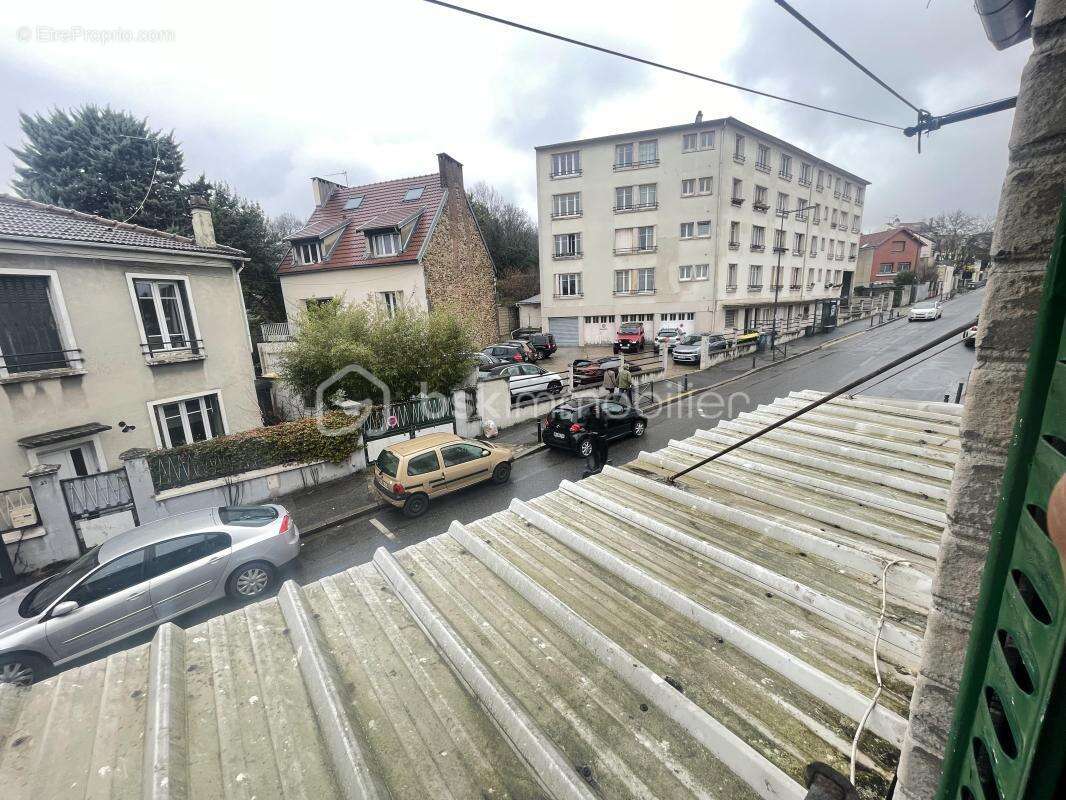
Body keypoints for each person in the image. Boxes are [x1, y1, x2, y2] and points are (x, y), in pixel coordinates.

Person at [582, 404, 611, 477]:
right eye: (594, 408)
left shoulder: (603, 414)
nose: (596, 409)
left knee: (603, 451)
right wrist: (589, 430)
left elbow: (604, 423)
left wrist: (599, 416)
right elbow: (586, 425)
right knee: (594, 451)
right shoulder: (589, 415)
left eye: (597, 408)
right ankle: (596, 465)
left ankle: (603, 464)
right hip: (593, 436)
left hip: (602, 436)